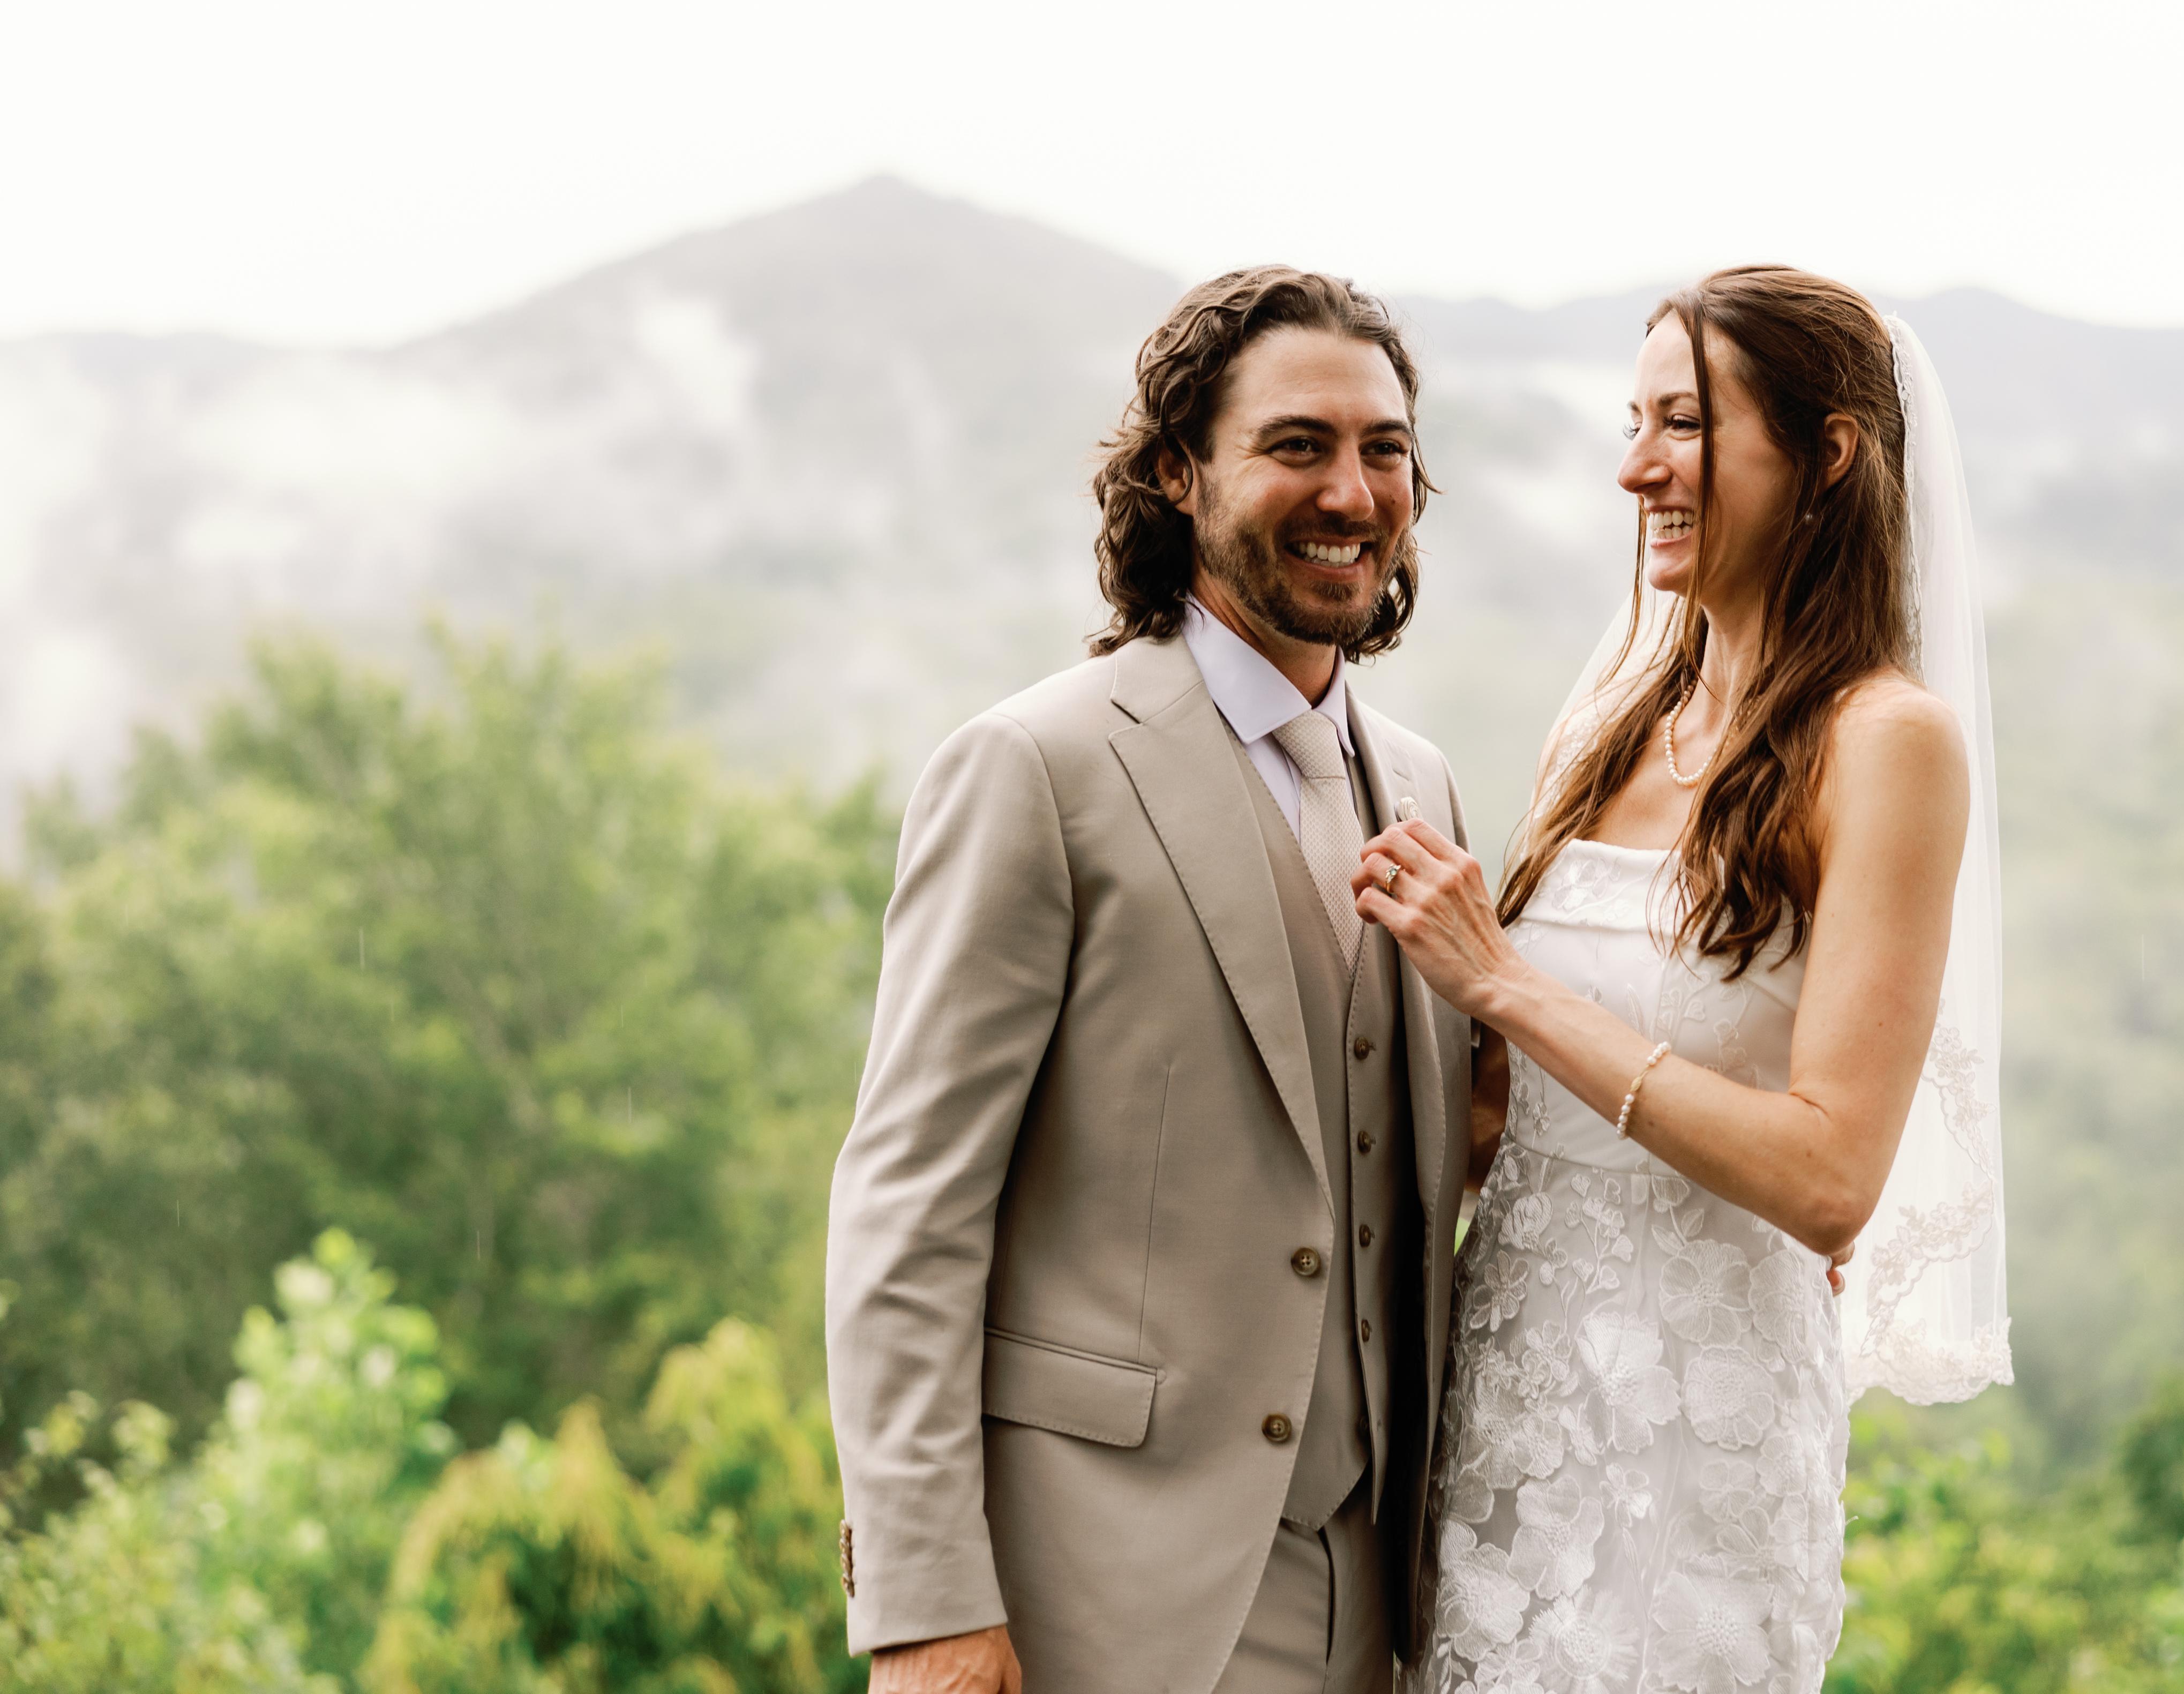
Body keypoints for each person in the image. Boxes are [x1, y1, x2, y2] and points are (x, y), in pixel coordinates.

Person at [1353, 266, 2014, 1693]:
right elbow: (1499, 1113)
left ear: (1828, 454)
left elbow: (1832, 1176)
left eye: (1687, 424)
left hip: (1689, 1458)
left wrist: (1509, 987)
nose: (1635, 467)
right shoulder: (1608, 722)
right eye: (1636, 422)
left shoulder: (1887, 743)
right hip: (1500, 1415)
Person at [825, 267, 1475, 1694]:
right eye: (1297, 444)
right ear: (1179, 471)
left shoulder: (1423, 786)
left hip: (1379, 1608)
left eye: (1384, 450)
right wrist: (928, 1605)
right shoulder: (1035, 769)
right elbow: (909, 1209)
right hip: (1100, 1595)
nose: (1353, 492)